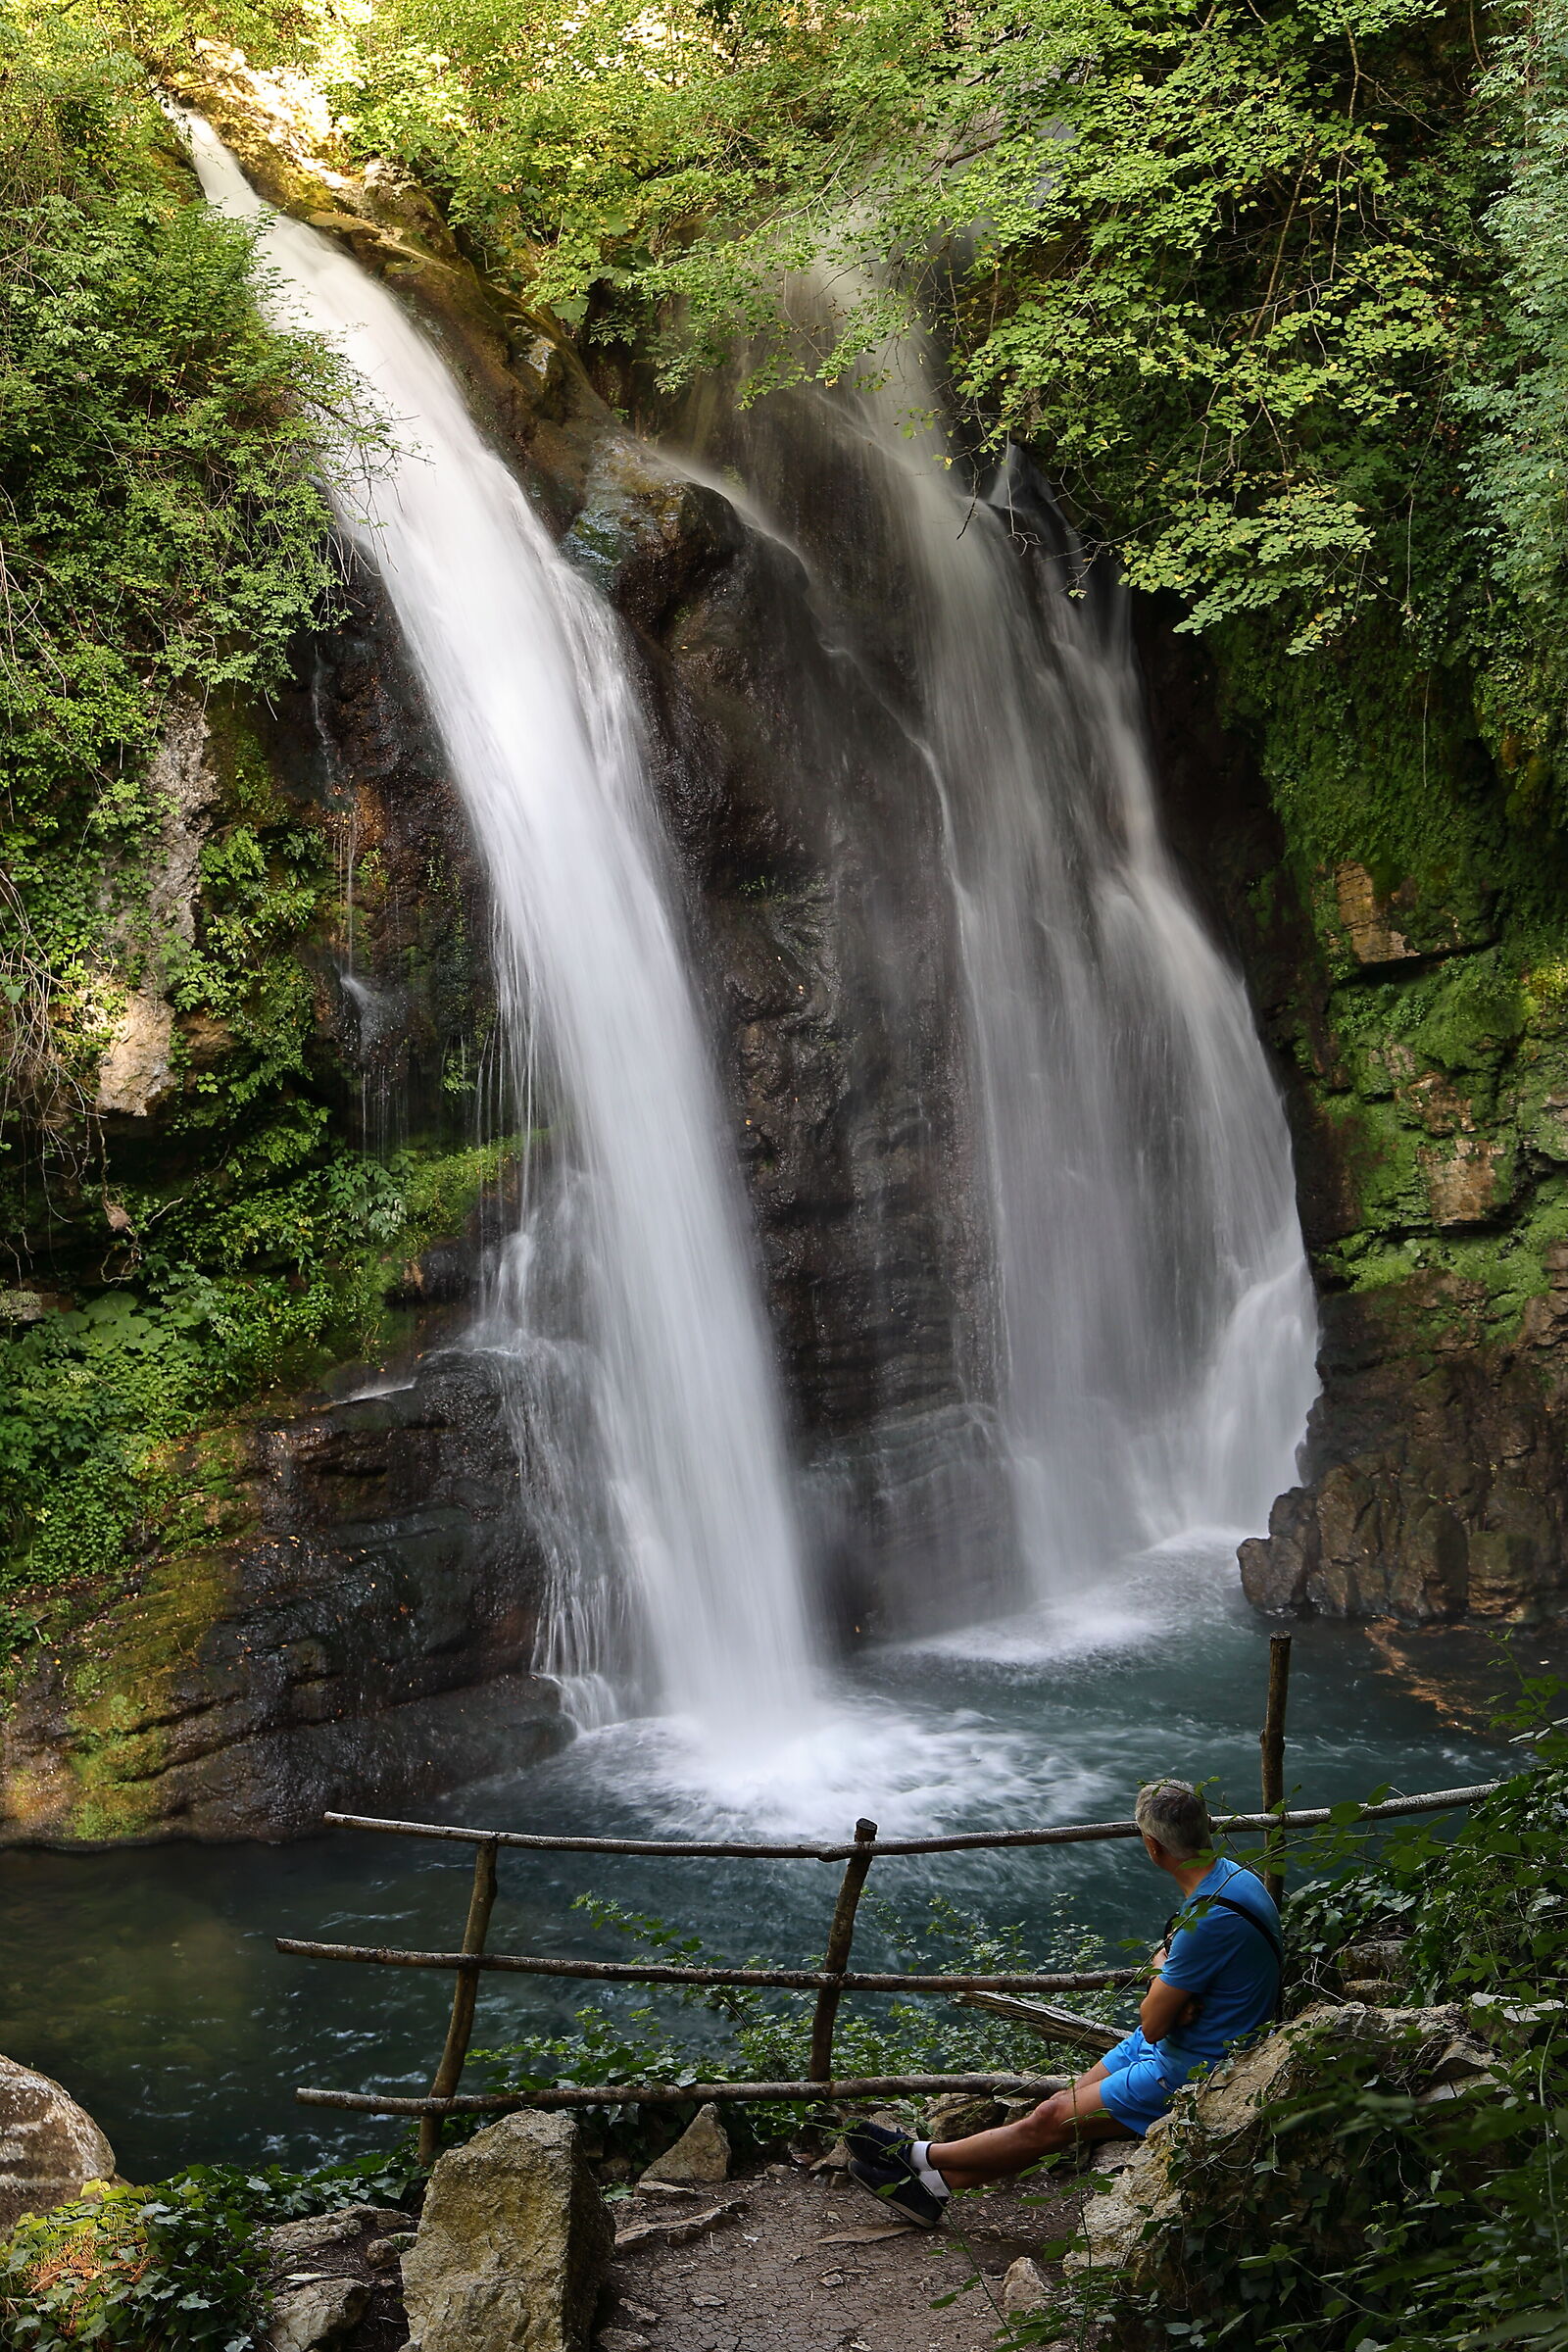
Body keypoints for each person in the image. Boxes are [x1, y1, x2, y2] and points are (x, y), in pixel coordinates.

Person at [846, 1778, 1284, 2228]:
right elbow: (1170, 1963)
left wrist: (1163, 1990)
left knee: (1053, 2116)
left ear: (1152, 1846)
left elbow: (1155, 2020)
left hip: (1194, 2065)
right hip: (1175, 2040)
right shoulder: (1235, 1877)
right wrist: (1169, 1989)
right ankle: (932, 2189)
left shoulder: (1208, 1919)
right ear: (1205, 1827)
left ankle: (914, 2156)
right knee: (1058, 2114)